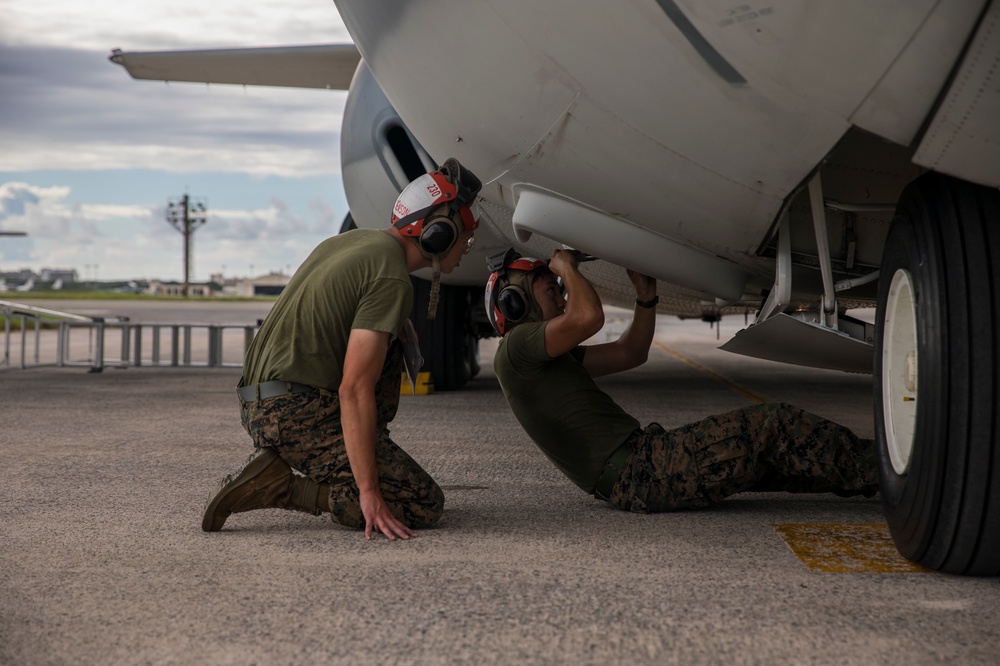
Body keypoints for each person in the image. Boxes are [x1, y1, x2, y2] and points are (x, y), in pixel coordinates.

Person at [202, 158, 482, 540]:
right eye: (465, 235)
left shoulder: (351, 243)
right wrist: (369, 493)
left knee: (391, 336)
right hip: (294, 414)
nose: (468, 247)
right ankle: (282, 487)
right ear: (438, 234)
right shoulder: (390, 278)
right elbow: (353, 388)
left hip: (260, 405)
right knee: (423, 502)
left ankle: (345, 455)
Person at [486, 248, 878, 512]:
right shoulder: (516, 348)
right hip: (639, 472)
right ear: (515, 301)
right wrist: (566, 267)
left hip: (642, 465)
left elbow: (629, 353)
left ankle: (874, 474)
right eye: (550, 289)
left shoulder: (542, 358)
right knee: (774, 425)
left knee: (780, 459)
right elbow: (588, 318)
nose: (562, 297)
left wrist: (646, 299)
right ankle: (886, 468)